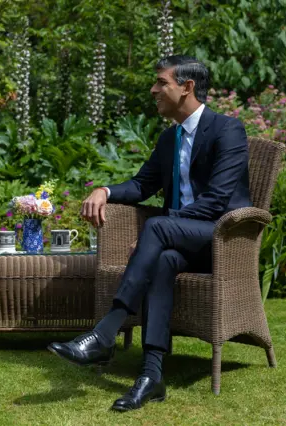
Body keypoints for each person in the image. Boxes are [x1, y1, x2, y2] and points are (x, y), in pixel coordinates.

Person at [48, 55, 251, 412]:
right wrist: (105, 191)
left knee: (155, 228)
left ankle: (106, 332)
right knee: (163, 259)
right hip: (181, 240)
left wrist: (163, 227)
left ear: (187, 87)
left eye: (162, 83)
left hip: (223, 239)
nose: (154, 89)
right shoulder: (169, 139)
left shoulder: (227, 130)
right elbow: (142, 185)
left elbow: (218, 201)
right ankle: (151, 374)